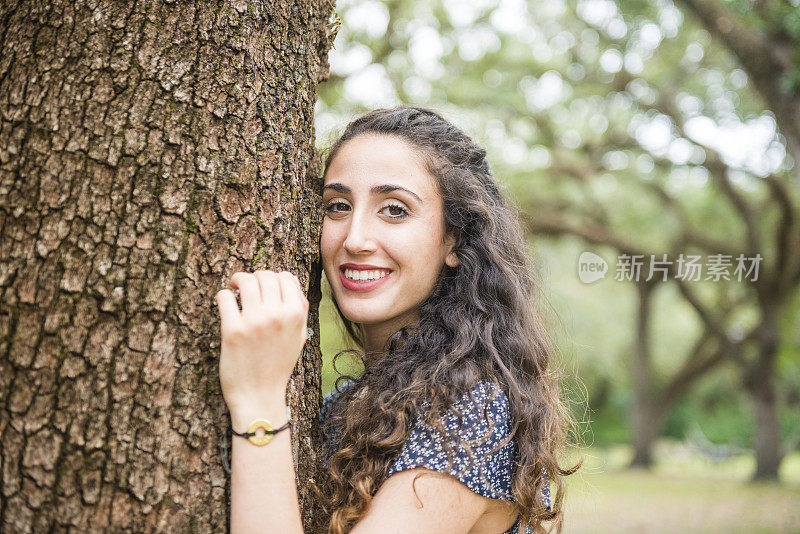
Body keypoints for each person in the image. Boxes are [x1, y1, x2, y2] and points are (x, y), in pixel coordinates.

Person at [215, 106, 582, 534]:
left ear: (454, 240)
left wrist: (258, 400)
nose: (355, 239)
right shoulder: (349, 403)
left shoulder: (468, 413)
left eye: (394, 210)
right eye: (337, 206)